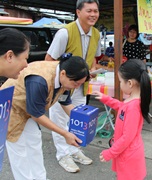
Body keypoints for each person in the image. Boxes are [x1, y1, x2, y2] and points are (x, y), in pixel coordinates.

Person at [1, 54, 90, 180]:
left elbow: (66, 102)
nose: (76, 87)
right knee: (19, 150)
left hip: (27, 109)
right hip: (12, 108)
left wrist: (83, 123)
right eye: (76, 83)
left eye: (80, 84)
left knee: (34, 142)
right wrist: (65, 133)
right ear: (63, 74)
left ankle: (39, 177)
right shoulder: (39, 80)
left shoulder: (65, 78)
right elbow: (37, 115)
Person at [45, 0, 101, 173]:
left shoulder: (97, 34)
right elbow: (49, 61)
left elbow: (93, 57)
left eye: (96, 11)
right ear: (78, 12)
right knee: (60, 120)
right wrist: (57, 85)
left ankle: (74, 150)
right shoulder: (65, 33)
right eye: (89, 10)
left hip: (81, 86)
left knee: (77, 119)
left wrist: (91, 70)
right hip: (62, 86)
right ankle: (63, 154)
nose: (93, 14)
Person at [93, 59, 152, 180]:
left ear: (129, 83)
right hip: (127, 153)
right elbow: (121, 107)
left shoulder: (134, 107)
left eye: (120, 81)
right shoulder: (132, 101)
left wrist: (110, 153)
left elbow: (127, 137)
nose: (119, 84)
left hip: (128, 155)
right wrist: (106, 99)